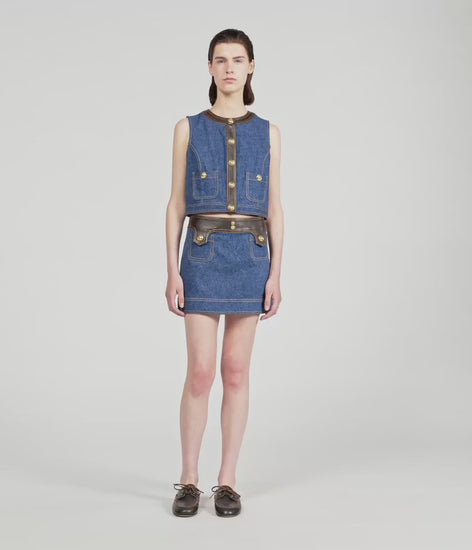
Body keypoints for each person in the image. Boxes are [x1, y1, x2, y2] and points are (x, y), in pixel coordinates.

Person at [165, 28, 284, 517]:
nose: (229, 68)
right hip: (202, 255)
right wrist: (171, 270)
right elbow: (176, 204)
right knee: (200, 372)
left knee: (236, 370)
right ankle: (189, 479)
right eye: (221, 59)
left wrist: (276, 273)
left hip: (251, 258)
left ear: (251, 66)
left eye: (238, 59)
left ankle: (227, 481)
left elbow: (274, 208)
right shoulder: (188, 127)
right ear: (210, 68)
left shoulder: (269, 132)